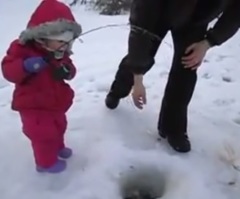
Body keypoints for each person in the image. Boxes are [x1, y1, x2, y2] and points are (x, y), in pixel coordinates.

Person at [105, 0, 240, 153]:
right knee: (142, 54)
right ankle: (118, 90)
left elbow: (235, 13)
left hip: (195, 19)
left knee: (187, 66)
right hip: (156, 11)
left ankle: (173, 128)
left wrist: (208, 42)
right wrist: (138, 77)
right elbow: (140, 29)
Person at [1, 0, 82, 173]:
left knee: (59, 126)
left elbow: (71, 68)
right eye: (61, 41)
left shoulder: (60, 53)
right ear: (43, 36)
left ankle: (58, 147)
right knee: (43, 136)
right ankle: (45, 163)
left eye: (69, 43)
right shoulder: (21, 48)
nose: (65, 47)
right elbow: (8, 70)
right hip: (34, 106)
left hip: (55, 102)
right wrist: (24, 66)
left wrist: (68, 71)